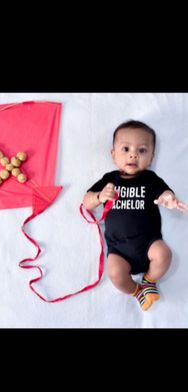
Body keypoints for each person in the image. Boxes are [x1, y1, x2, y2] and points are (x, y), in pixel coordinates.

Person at [83, 120, 187, 311]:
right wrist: (99, 196)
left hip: (148, 243)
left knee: (164, 255)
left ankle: (149, 280)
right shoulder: (110, 179)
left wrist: (168, 198)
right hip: (118, 249)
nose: (133, 154)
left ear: (151, 157)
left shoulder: (150, 179)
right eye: (125, 148)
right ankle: (136, 291)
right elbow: (86, 201)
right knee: (115, 274)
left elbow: (164, 192)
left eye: (142, 150)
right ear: (113, 155)